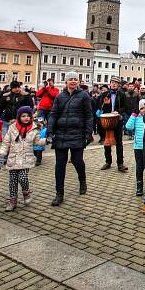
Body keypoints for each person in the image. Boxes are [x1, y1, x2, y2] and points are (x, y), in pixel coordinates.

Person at [48, 72, 93, 206]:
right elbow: (53, 114)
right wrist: (50, 131)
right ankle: (59, 193)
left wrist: (88, 133)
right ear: (66, 82)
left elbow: (89, 115)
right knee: (60, 165)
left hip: (77, 132)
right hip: (61, 134)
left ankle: (82, 180)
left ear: (78, 82)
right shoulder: (60, 96)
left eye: (75, 79)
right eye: (70, 79)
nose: (73, 81)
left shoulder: (84, 96)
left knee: (77, 160)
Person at [0, 106, 45, 211]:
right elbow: (6, 143)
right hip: (13, 159)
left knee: (22, 178)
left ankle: (26, 192)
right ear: (19, 117)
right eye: (23, 116)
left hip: (25, 159)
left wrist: (47, 139)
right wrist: (1, 156)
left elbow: (37, 142)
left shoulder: (34, 128)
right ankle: (12, 201)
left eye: (28, 116)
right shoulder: (12, 128)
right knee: (12, 181)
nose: (26, 118)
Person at [97, 77, 131, 172]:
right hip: (107, 122)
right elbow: (100, 107)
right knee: (107, 142)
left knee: (119, 143)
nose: (114, 84)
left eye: (116, 83)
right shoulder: (105, 94)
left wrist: (118, 111)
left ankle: (120, 163)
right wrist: (105, 104)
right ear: (110, 84)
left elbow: (125, 107)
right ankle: (108, 162)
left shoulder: (121, 94)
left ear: (119, 85)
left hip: (117, 121)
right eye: (112, 82)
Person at [125, 99, 145, 196]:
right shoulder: (136, 117)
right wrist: (133, 115)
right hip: (138, 147)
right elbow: (128, 127)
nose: (143, 110)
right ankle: (139, 187)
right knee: (139, 167)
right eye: (142, 108)